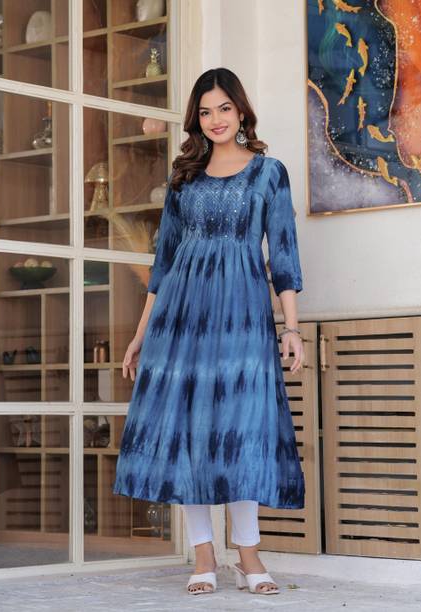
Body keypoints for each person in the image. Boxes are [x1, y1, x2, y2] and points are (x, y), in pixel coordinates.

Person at [112, 67, 305, 596]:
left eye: (224, 108)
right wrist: (140, 334)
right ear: (195, 119)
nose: (216, 119)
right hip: (181, 320)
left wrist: (291, 327)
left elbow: (283, 255)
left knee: (242, 432)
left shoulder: (269, 173)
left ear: (241, 111)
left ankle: (248, 556)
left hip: (242, 317)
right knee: (189, 433)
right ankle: (203, 556)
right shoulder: (184, 178)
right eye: (205, 111)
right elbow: (164, 265)